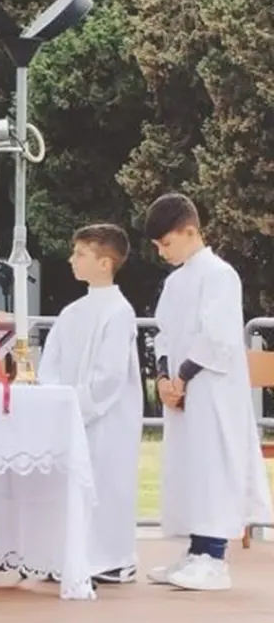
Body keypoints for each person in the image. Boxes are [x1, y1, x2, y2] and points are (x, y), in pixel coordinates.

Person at [144, 193, 273, 591]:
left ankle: (214, 556)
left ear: (190, 231)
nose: (162, 252)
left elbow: (217, 336)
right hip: (183, 394)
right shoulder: (176, 280)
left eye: (167, 243)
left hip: (211, 390)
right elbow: (162, 333)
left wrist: (182, 375)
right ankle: (196, 549)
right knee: (188, 468)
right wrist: (163, 378)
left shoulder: (219, 274)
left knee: (212, 465)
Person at [37, 224, 143, 584]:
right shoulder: (72, 312)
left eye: (80, 253)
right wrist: (55, 398)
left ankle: (112, 558)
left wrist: (78, 404)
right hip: (70, 414)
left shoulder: (119, 311)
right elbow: (50, 362)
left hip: (108, 417)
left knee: (107, 484)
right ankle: (70, 555)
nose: (71, 259)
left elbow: (110, 374)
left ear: (105, 262)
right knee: (69, 486)